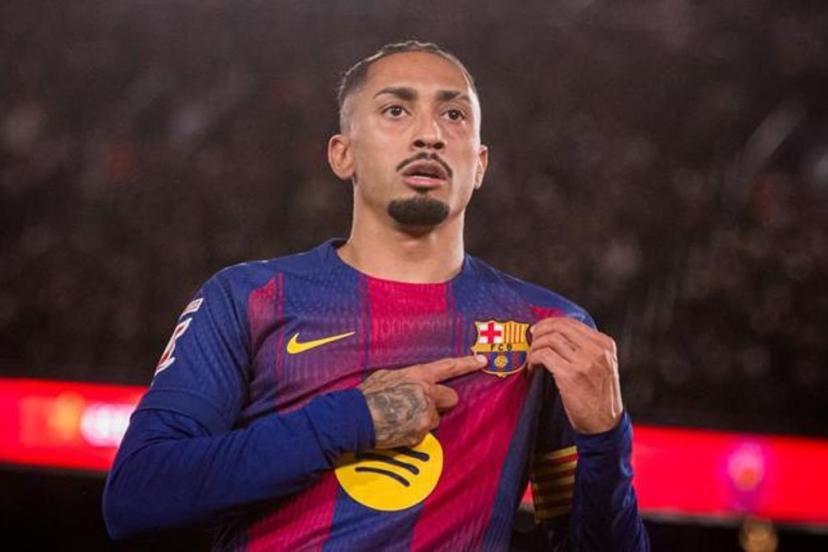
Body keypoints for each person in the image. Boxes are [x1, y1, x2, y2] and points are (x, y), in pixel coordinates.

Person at [103, 40, 649, 551]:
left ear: (480, 164)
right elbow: (136, 496)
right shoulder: (248, 298)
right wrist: (350, 420)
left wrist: (606, 437)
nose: (429, 134)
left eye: (453, 115)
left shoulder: (548, 328)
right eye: (396, 110)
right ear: (342, 154)